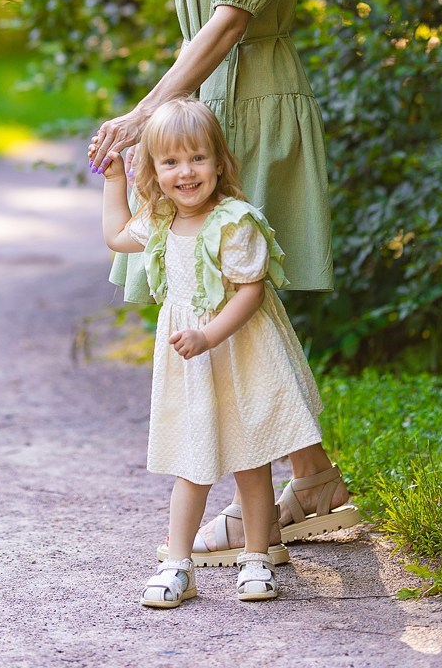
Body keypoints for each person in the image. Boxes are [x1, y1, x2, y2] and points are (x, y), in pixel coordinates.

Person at [88, 0, 359, 565]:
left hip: (256, 101)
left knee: (238, 288)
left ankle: (299, 488)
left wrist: (147, 110)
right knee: (214, 285)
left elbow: (233, 21)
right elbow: (197, 31)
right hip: (207, 104)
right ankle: (311, 482)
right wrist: (167, 114)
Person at [100, 97, 323, 608]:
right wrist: (113, 179)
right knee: (191, 460)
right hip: (193, 365)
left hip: (239, 353)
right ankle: (178, 564)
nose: (186, 172)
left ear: (219, 162)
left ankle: (256, 556)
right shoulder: (160, 220)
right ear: (154, 172)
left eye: (197, 158)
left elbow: (250, 292)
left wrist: (208, 335)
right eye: (171, 162)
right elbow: (115, 236)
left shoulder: (234, 222)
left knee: (251, 459)